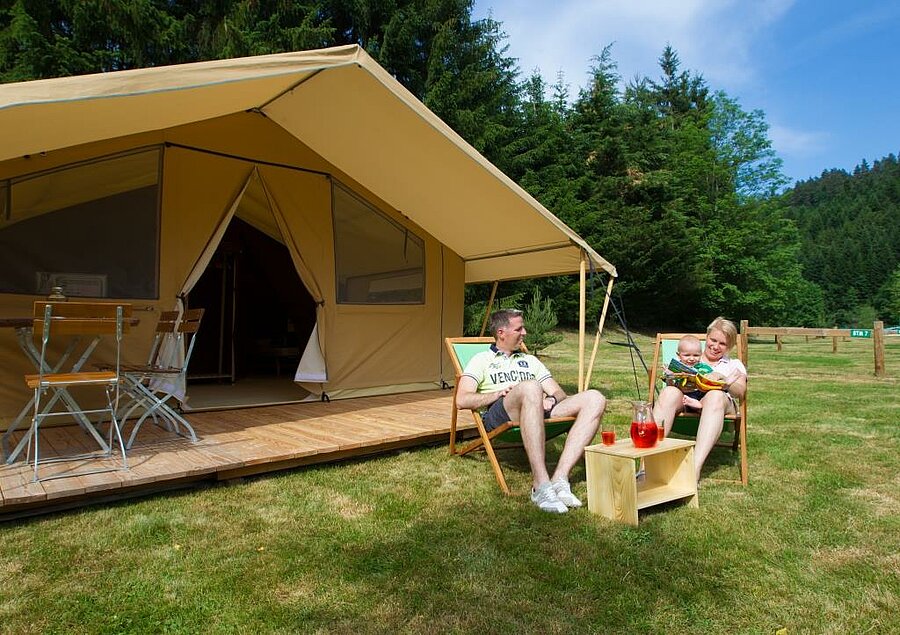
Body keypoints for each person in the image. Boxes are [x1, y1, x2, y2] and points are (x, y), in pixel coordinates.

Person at [455, 309, 607, 513]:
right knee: (531, 386)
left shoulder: (530, 361)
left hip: (537, 409)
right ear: (501, 333)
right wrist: (497, 394)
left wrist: (550, 399)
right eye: (519, 329)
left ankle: (560, 479)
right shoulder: (481, 360)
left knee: (595, 398)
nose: (525, 332)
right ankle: (540, 485)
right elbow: (462, 400)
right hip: (501, 414)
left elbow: (559, 393)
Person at [653, 317, 747, 482]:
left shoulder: (734, 364)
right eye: (713, 340)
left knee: (715, 395)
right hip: (687, 402)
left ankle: (693, 469)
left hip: (719, 407)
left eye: (723, 344)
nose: (716, 346)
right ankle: (648, 465)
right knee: (668, 393)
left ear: (730, 346)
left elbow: (741, 391)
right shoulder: (690, 357)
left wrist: (722, 379)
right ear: (707, 336)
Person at [669, 334, 715, 409]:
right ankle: (692, 405)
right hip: (680, 396)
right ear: (678, 355)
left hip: (700, 395)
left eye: (696, 355)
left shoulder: (704, 368)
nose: (691, 358)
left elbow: (710, 381)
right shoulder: (676, 368)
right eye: (687, 355)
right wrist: (669, 376)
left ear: (701, 354)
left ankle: (697, 404)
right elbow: (670, 385)